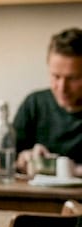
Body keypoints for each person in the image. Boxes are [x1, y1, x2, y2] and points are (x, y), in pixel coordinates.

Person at [13, 27, 82, 177]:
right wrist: (22, 159)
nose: (62, 88)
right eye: (55, 76)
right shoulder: (35, 104)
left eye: (72, 78)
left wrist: (74, 170)